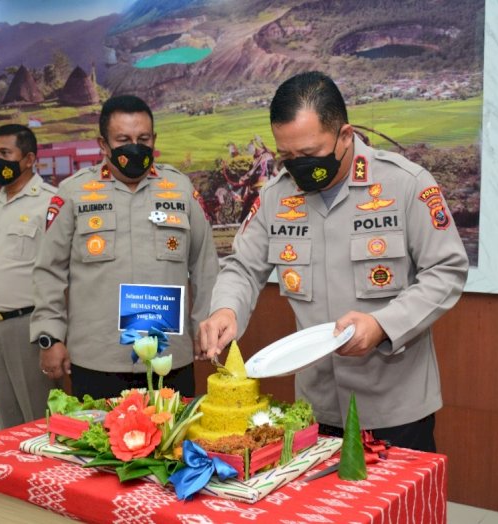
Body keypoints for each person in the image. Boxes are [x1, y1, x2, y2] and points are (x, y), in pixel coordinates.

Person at [199, 72, 469, 452]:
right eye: (287, 157)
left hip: (395, 407)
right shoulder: (277, 197)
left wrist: (381, 325)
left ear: (345, 136)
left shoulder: (404, 184)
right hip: (317, 407)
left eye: (309, 155)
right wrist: (226, 310)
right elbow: (243, 267)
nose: (298, 168)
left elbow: (447, 270)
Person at [30, 95, 219, 399]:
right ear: (103, 145)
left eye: (143, 138)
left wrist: (205, 325)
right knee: (99, 445)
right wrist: (50, 337)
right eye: (123, 139)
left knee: (171, 442)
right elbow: (48, 271)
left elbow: (205, 265)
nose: (135, 146)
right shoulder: (74, 193)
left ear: (154, 139)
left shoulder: (180, 189)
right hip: (98, 358)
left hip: (168, 357)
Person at [0, 124, 58, 428]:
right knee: (7, 416)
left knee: (39, 417)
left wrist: (56, 335)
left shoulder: (50, 202)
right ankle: (15, 474)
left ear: (28, 159)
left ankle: (45, 475)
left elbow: (61, 271)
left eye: (5, 153)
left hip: (30, 326)